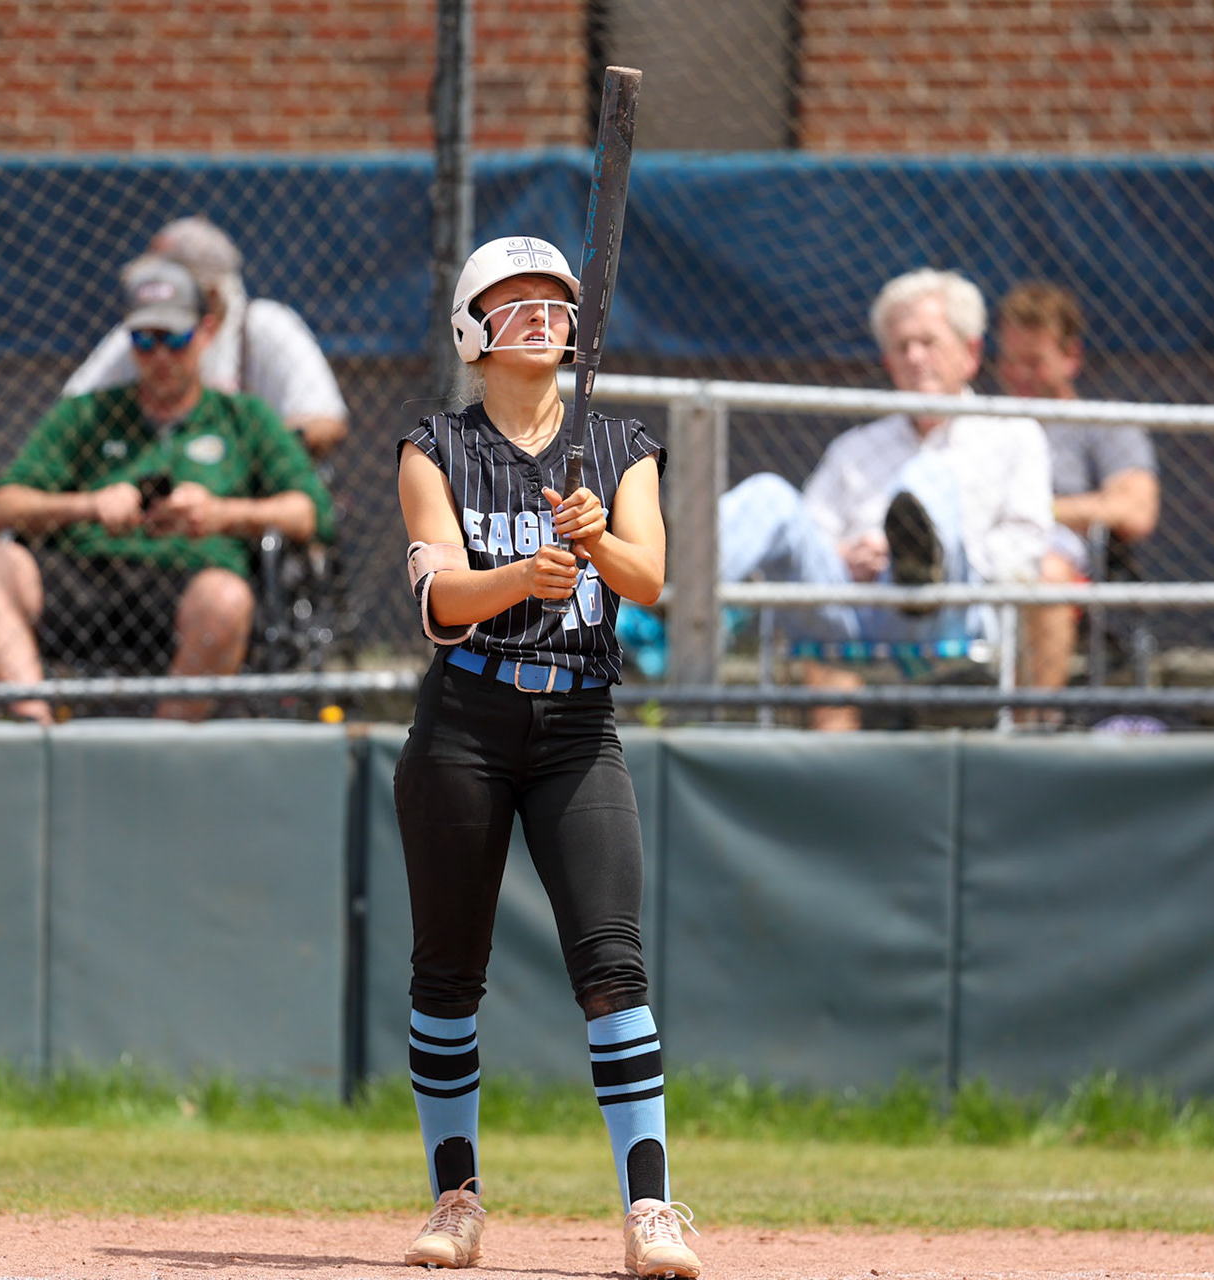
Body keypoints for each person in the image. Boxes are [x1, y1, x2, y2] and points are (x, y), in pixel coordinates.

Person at [393, 236, 699, 1278]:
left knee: (615, 969)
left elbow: (649, 579)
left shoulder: (624, 446)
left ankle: (652, 1209)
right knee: (448, 974)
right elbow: (437, 603)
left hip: (579, 723)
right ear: (472, 330)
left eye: (555, 299)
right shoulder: (433, 445)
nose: (541, 314)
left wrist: (596, 537)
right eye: (513, 299)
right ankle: (456, 1195)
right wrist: (522, 571)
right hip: (465, 723)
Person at [0, 255, 333, 724]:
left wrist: (220, 514)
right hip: (84, 577)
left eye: (175, 339)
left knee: (227, 598)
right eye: (144, 340)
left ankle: (161, 748)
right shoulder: (87, 414)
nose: (159, 357)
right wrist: (90, 506)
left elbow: (310, 513)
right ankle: (36, 729)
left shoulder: (245, 419)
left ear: (206, 333)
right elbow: (3, 507)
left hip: (191, 582)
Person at [716, 268, 1052, 730]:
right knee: (769, 494)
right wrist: (848, 556)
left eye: (928, 342)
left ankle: (921, 559)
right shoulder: (855, 447)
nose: (914, 357)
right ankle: (660, 604)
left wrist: (941, 557)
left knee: (926, 474)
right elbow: (811, 540)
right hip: (850, 618)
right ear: (888, 361)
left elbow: (1027, 543)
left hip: (952, 614)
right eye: (901, 346)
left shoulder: (1015, 434)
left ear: (971, 353)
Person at [63, 215, 350, 459]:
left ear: (208, 292)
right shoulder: (143, 334)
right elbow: (70, 414)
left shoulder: (264, 326)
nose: (159, 350)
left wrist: (239, 457)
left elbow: (325, 422)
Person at [992, 282, 1160, 692]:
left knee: (1044, 574)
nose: (1018, 375)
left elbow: (1137, 511)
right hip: (979, 554)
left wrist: (1037, 510)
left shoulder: (1102, 424)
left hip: (1056, 564)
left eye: (1033, 362)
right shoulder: (981, 423)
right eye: (1009, 361)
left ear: (1071, 357)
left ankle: (1032, 733)